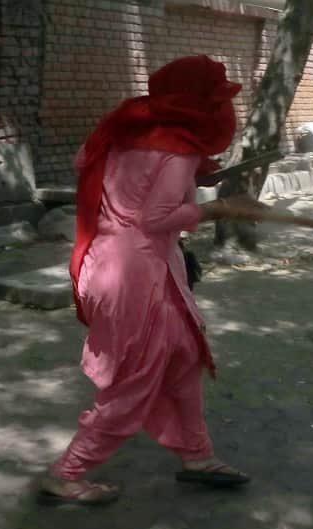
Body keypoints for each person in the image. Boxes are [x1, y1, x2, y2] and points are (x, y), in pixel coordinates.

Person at [38, 55, 271, 506]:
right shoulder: (176, 145)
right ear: (199, 102)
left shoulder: (127, 127)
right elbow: (158, 217)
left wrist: (182, 174)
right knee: (137, 379)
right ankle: (66, 471)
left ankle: (198, 456)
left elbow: (89, 165)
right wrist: (219, 208)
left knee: (183, 357)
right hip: (136, 274)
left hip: (111, 263)